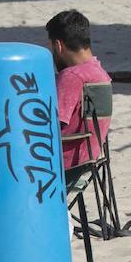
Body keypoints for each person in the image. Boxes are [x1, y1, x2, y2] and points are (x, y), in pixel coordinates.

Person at [45, 10, 111, 168]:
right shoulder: (100, 74)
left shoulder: (72, 76)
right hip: (88, 160)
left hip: (61, 165)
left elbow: (52, 123)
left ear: (58, 46)